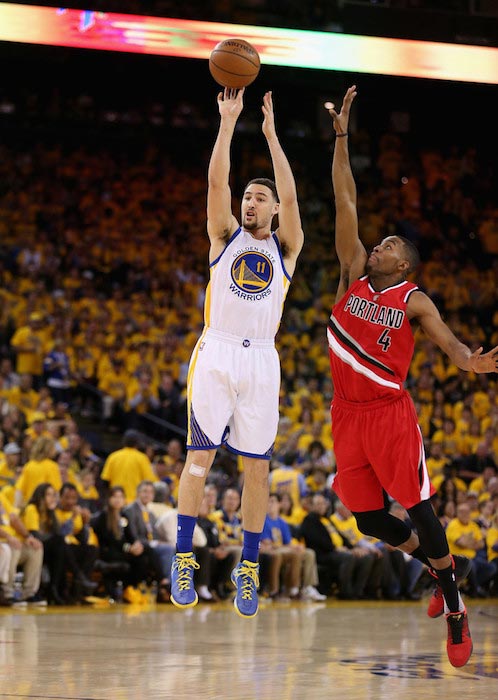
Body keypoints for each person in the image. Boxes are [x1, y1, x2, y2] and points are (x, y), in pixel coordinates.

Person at [325, 85, 498, 667]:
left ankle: (454, 603)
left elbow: (447, 340)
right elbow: (344, 200)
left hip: (390, 413)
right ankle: (438, 565)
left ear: (404, 264)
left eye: (390, 244)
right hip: (345, 414)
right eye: (380, 241)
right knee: (369, 517)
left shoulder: (412, 296)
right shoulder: (351, 272)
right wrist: (343, 138)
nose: (378, 243)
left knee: (420, 509)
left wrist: (469, 361)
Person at [171, 87, 304, 618]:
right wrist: (228, 124)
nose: (249, 202)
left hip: (261, 360)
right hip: (218, 350)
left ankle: (247, 571)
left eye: (259, 198)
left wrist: (271, 136)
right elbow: (215, 182)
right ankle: (183, 559)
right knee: (198, 460)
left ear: (273, 209)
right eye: (247, 196)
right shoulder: (224, 235)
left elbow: (293, 199)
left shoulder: (285, 247)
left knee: (257, 470)